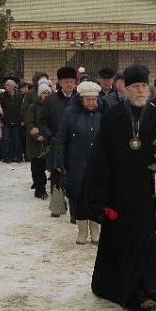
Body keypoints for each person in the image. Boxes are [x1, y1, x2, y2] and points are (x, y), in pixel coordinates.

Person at [81, 64, 156, 311]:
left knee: (150, 242)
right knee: (124, 243)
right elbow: (100, 158)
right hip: (120, 194)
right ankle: (131, 293)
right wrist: (100, 198)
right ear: (125, 88)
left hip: (150, 194)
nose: (140, 90)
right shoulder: (112, 116)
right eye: (135, 87)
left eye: (143, 86)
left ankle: (152, 288)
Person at [56, 80, 105, 245]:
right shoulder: (70, 113)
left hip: (98, 165)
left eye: (94, 99)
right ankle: (82, 230)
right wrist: (60, 161)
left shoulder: (103, 114)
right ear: (81, 99)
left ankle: (95, 230)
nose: (91, 103)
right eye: (88, 100)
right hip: (76, 163)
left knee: (97, 196)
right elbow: (61, 139)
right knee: (78, 197)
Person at [40, 66, 78, 219]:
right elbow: (43, 121)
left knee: (76, 177)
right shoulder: (51, 100)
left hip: (77, 145)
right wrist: (50, 136)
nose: (69, 84)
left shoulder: (81, 99)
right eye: (66, 81)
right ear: (60, 83)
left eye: (72, 81)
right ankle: (57, 206)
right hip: (57, 144)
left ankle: (76, 212)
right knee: (56, 176)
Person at [25, 83, 51, 199]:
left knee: (50, 166)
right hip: (35, 142)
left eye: (48, 93)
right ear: (40, 94)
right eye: (44, 93)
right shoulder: (33, 107)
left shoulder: (52, 106)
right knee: (37, 167)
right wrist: (36, 135)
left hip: (48, 141)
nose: (46, 95)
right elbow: (30, 123)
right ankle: (40, 189)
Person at [0, 78, 23, 162]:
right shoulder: (2, 96)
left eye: (7, 85)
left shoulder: (19, 95)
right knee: (6, 140)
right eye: (5, 85)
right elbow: (0, 109)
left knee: (16, 139)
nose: (6, 87)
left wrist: (22, 119)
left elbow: (21, 108)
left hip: (16, 120)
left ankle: (15, 156)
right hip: (6, 121)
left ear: (12, 86)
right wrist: (1, 121)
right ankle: (6, 157)